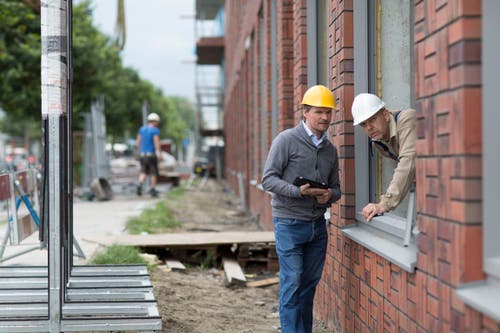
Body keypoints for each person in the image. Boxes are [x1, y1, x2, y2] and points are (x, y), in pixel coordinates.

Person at [261, 85, 341, 333]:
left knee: (308, 286)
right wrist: (298, 192)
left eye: (328, 112)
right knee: (292, 284)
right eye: (319, 112)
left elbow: (337, 189)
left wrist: (328, 196)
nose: (325, 118)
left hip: (317, 228)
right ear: (305, 112)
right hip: (289, 224)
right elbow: (268, 180)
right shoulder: (286, 140)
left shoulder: (330, 150)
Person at [351, 93, 416, 221]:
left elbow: (407, 163)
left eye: (373, 119)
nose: (369, 127)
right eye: (363, 124)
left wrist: (383, 204)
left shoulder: (407, 120)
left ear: (385, 115)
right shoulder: (379, 143)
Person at [136, 112, 162, 197]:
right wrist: (159, 153)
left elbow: (138, 142)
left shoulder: (142, 129)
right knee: (153, 172)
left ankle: (139, 184)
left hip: (142, 154)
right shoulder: (155, 130)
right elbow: (156, 142)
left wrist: (138, 151)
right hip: (151, 154)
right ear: (154, 121)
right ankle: (153, 190)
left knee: (143, 171)